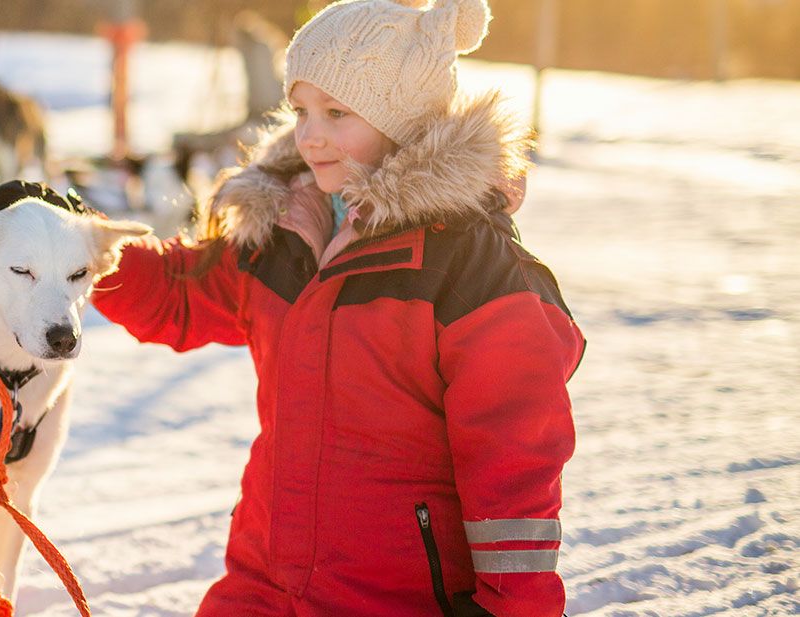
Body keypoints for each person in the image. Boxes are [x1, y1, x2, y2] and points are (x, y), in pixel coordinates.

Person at [91, 0, 583, 615]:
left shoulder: (470, 271)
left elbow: (514, 474)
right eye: (300, 110)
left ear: (401, 121)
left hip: (395, 597)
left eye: (337, 113)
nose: (309, 135)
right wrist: (74, 245)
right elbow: (180, 294)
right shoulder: (288, 228)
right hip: (264, 584)